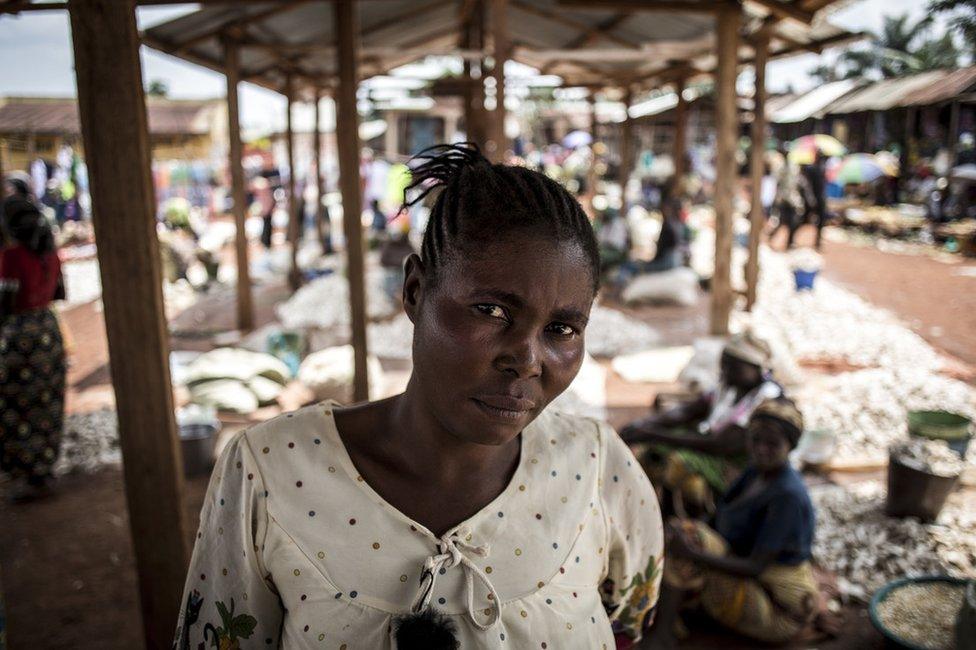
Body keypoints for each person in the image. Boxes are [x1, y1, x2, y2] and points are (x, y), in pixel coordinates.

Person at [174, 143, 664, 650]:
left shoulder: (597, 468)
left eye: (561, 328)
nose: (527, 359)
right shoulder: (271, 472)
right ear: (415, 291)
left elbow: (626, 623)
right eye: (491, 311)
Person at [646, 398, 821, 646]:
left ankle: (664, 634)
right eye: (756, 440)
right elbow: (717, 516)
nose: (762, 449)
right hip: (753, 577)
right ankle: (678, 611)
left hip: (778, 608)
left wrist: (693, 552)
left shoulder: (787, 496)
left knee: (690, 544)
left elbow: (755, 567)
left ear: (790, 447)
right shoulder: (755, 472)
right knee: (681, 531)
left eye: (773, 444)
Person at [621, 331, 782, 515]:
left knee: (678, 463)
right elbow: (688, 410)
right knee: (652, 452)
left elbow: (720, 444)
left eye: (733, 366)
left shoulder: (766, 400)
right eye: (725, 364)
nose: (725, 370)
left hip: (739, 463)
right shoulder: (731, 385)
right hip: (712, 446)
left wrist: (650, 434)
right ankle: (656, 511)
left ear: (755, 369)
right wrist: (645, 424)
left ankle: (692, 517)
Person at [0, 197, 67, 503]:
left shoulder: (12, 256)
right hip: (48, 333)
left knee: (17, 406)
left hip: (19, 338)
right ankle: (44, 466)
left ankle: (24, 469)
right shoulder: (51, 253)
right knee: (47, 402)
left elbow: (5, 302)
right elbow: (59, 292)